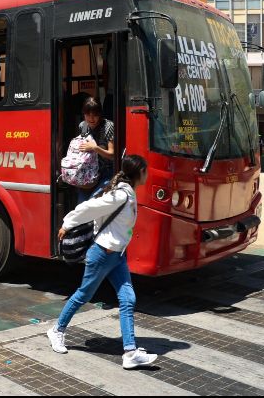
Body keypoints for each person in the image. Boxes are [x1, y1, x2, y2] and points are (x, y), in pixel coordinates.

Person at [47, 155, 158, 370]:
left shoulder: (128, 193)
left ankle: (130, 352)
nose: (147, 174)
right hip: (102, 254)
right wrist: (67, 224)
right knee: (83, 295)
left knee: (128, 299)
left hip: (117, 256)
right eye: (146, 170)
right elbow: (89, 208)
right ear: (139, 173)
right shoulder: (120, 196)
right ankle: (57, 331)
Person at [74, 97, 115, 205]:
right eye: (88, 115)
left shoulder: (108, 126)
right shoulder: (82, 126)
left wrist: (95, 148)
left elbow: (112, 155)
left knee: (92, 204)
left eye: (95, 115)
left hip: (106, 174)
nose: (91, 119)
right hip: (87, 174)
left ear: (100, 114)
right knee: (81, 207)